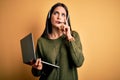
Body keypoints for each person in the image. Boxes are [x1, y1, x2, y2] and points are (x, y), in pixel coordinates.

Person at [31, 2, 84, 80]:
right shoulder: (41, 41)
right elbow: (35, 73)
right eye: (56, 13)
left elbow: (79, 62)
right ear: (49, 16)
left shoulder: (74, 36)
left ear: (66, 19)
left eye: (63, 15)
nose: (59, 17)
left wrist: (69, 37)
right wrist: (37, 68)